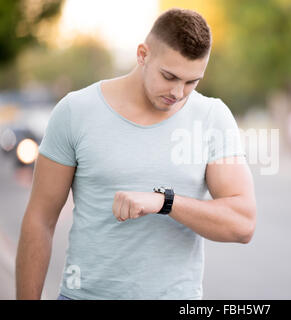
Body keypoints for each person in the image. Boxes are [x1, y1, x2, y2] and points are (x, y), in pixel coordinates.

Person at [15, 8, 257, 300]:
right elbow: (40, 220)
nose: (179, 92)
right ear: (143, 54)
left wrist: (164, 202)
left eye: (192, 81)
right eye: (170, 76)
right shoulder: (75, 111)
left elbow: (242, 224)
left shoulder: (212, 117)